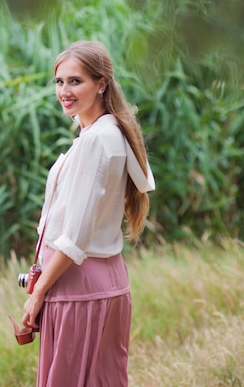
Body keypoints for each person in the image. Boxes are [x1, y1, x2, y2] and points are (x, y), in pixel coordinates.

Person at [21, 40, 156, 387]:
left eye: (75, 81)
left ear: (101, 83)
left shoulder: (98, 139)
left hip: (80, 290)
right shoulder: (108, 133)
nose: (64, 91)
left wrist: (37, 295)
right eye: (59, 82)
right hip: (104, 284)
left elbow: (75, 238)